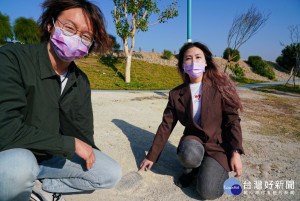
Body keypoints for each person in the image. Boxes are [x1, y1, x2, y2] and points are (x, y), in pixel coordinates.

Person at [0, 0, 121, 200]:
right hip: (14, 152)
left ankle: (41, 188)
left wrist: (87, 150)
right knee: (18, 167)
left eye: (85, 36)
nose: (76, 38)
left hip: (51, 158)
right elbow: (5, 130)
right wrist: (69, 145)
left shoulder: (80, 80)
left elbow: (83, 136)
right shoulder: (13, 58)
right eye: (69, 28)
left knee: (110, 172)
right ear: (51, 25)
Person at [139, 42, 244, 200]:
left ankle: (210, 168)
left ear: (206, 61)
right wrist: (151, 156)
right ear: (182, 64)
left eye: (198, 57)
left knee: (208, 191)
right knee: (189, 154)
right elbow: (166, 126)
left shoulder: (221, 87)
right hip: (193, 141)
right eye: (188, 58)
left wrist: (235, 152)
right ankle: (190, 171)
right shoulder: (176, 94)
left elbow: (233, 121)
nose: (194, 62)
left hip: (218, 145)